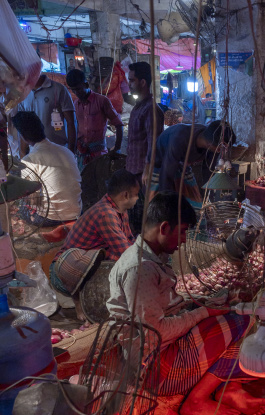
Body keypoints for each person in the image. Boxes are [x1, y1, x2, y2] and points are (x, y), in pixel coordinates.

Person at [107, 192, 265, 415]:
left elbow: (164, 309)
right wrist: (203, 312)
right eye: (182, 231)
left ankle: (229, 389)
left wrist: (204, 304)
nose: (184, 239)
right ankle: (196, 401)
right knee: (245, 322)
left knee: (233, 315)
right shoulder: (140, 269)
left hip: (163, 352)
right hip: (156, 369)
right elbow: (156, 331)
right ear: (164, 228)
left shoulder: (151, 258)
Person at [49, 169, 139, 319]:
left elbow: (129, 240)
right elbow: (126, 253)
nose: (137, 199)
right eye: (136, 195)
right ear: (126, 195)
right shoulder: (106, 214)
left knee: (116, 257)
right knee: (119, 261)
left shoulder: (120, 210)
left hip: (84, 261)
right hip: (62, 271)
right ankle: (80, 303)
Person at [11, 111, 81, 227]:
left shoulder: (30, 160)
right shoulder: (66, 151)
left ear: (22, 136)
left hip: (52, 218)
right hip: (77, 212)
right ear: (42, 128)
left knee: (20, 207)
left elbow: (32, 199)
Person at [153, 120, 236, 209]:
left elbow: (208, 171)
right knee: (164, 204)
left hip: (182, 164)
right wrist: (165, 202)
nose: (223, 151)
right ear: (210, 144)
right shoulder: (180, 138)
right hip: (160, 162)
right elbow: (166, 173)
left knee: (196, 206)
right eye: (221, 148)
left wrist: (208, 199)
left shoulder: (213, 144)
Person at [125, 62, 164, 234]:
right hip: (135, 173)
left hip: (144, 176)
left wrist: (148, 169)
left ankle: (145, 254)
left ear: (142, 82)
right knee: (134, 217)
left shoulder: (151, 110)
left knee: (144, 219)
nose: (129, 84)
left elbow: (153, 142)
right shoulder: (137, 108)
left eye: (132, 81)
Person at [66, 69, 123, 170]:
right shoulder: (75, 104)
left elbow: (118, 124)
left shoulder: (102, 101)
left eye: (79, 89)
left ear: (86, 85)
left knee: (100, 182)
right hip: (81, 155)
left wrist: (117, 148)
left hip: (99, 155)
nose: (76, 93)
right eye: (73, 90)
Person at [16, 73, 76, 155]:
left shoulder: (58, 89)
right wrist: (22, 154)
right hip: (35, 153)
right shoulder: (23, 94)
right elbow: (22, 127)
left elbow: (71, 122)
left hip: (59, 151)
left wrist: (71, 151)